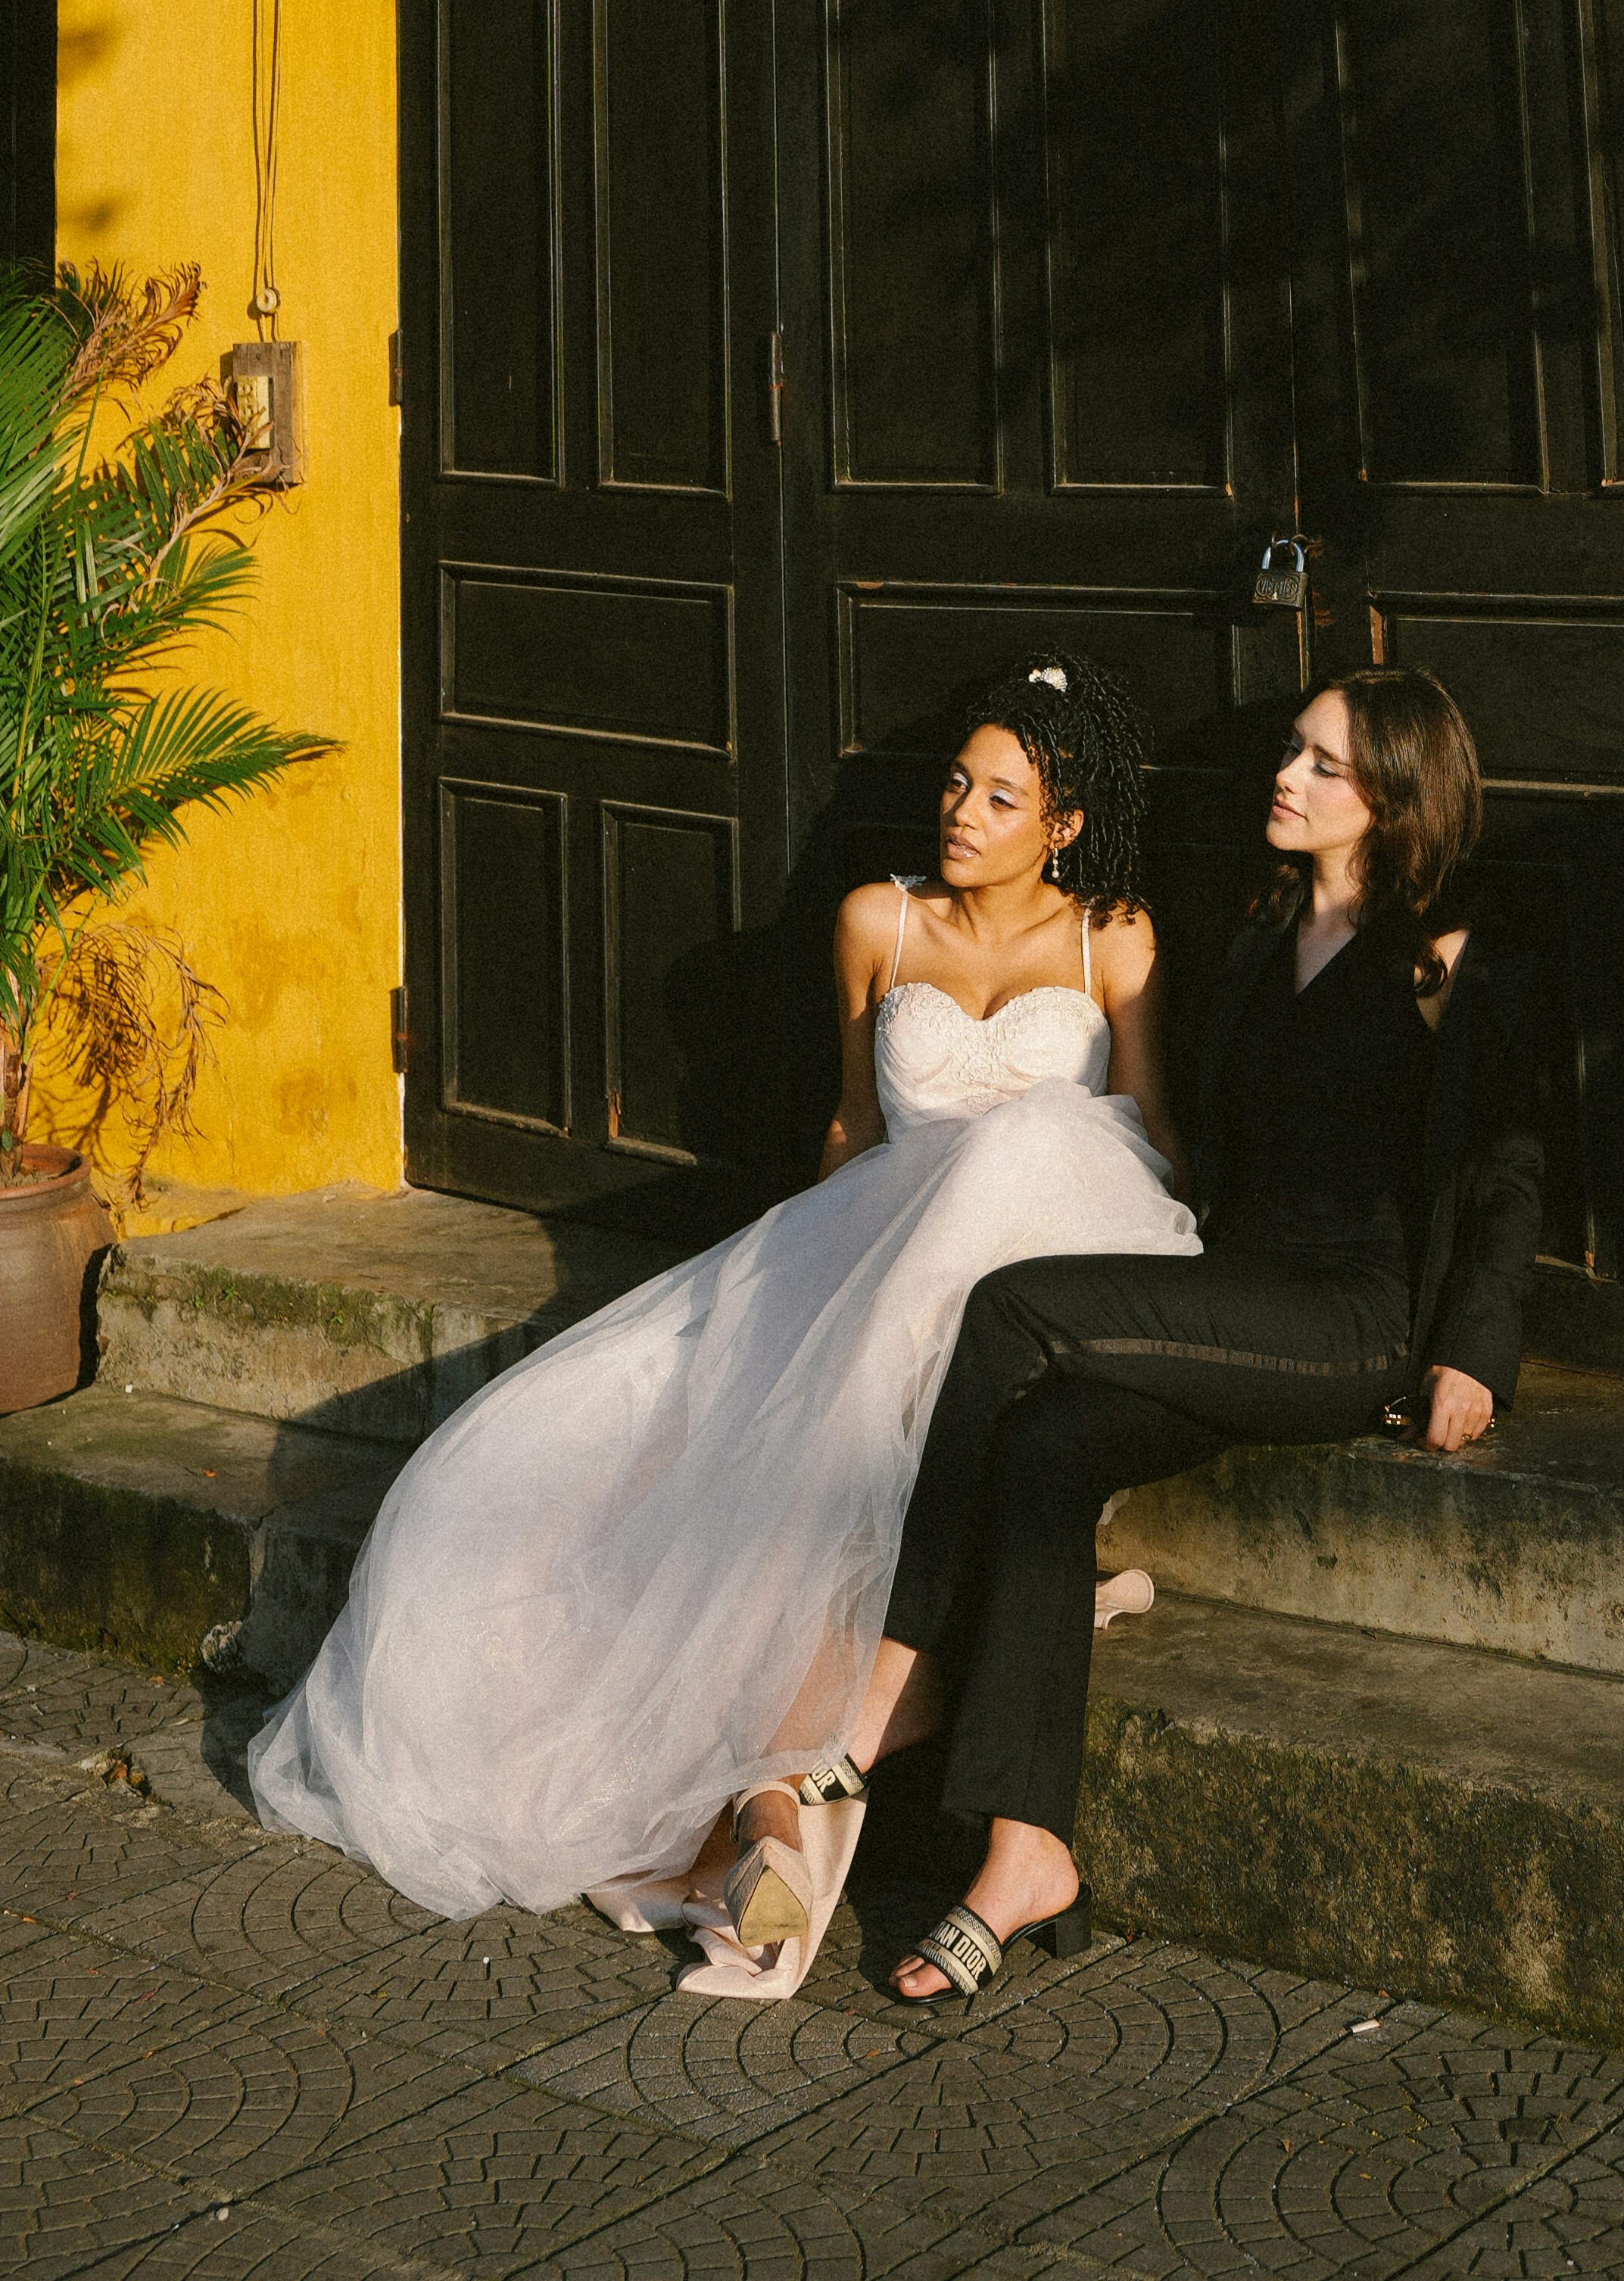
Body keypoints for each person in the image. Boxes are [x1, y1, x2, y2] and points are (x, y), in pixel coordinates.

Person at [244, 650, 1193, 1990]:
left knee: (1026, 1159)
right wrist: (789, 1290)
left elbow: (1149, 1136)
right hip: (878, 1258)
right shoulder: (880, 921)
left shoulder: (1115, 938)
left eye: (999, 797)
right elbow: (855, 1126)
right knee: (688, 1462)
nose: (961, 813)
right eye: (955, 785)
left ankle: (775, 1810)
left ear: (1067, 823)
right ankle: (761, 1812)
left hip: (1037, 1272)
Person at [846, 666, 1543, 2005]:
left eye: (1325, 765)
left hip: (1352, 1321)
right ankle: (1025, 1852)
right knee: (1047, 1445)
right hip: (1232, 1291)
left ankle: (896, 1681)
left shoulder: (1444, 960)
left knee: (1013, 1306)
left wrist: (1475, 1350)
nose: (1287, 776)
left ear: (1397, 796)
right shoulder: (1255, 933)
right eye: (1292, 752)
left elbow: (1508, 1162)